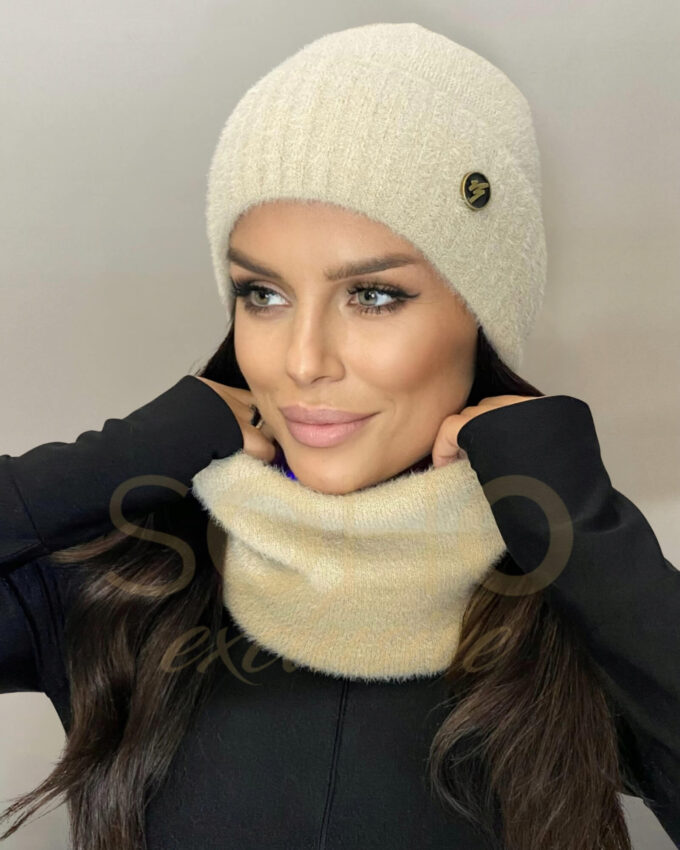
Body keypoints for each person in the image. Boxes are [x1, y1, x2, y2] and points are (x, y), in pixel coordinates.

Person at [1, 21, 679, 850]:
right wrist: (119, 457)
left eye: (374, 296)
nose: (302, 361)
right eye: (263, 295)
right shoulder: (127, 581)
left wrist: (578, 526)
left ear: (483, 315)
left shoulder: (571, 611)